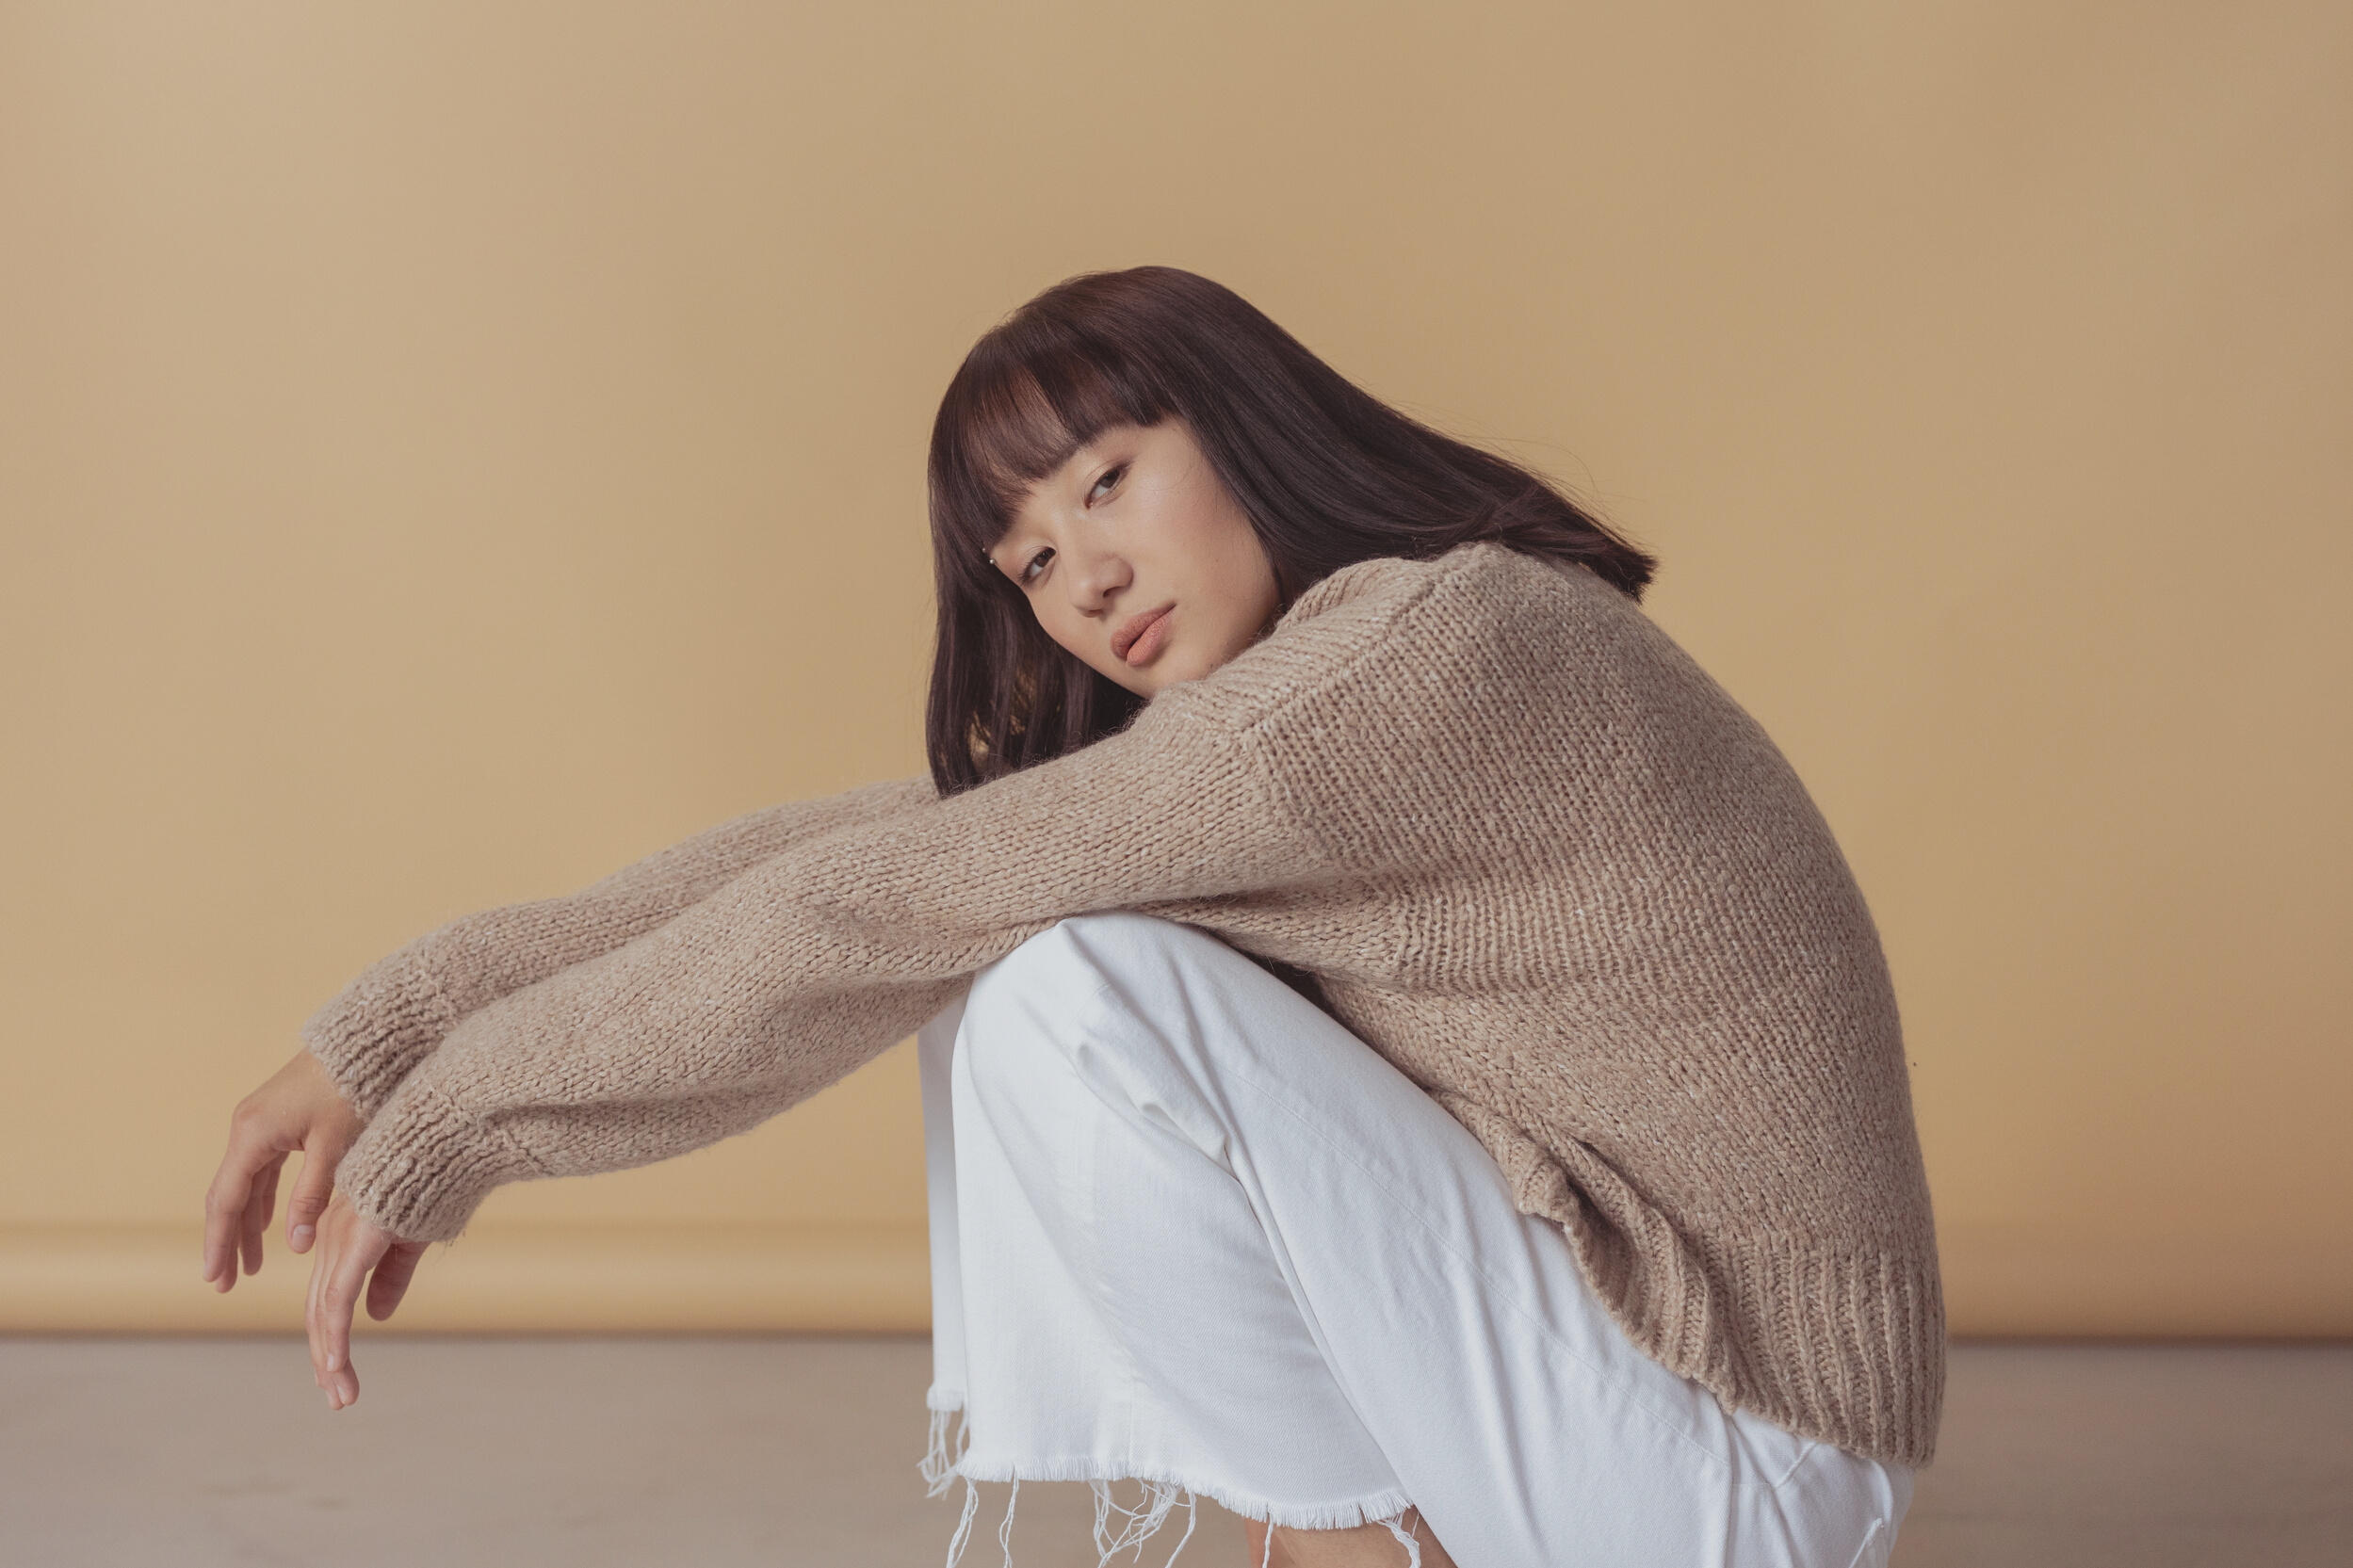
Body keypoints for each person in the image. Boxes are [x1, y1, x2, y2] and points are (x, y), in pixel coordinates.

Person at [202, 266, 1942, 1567]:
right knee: (1015, 925)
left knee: (1061, 985)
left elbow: (882, 898)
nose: (1079, 580)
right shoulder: (1294, 710)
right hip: (1644, 1406)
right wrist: (384, 1032)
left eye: (1105, 480)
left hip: (1730, 1452)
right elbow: (865, 846)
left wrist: (455, 1124)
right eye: (1026, 560)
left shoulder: (1434, 654)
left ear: (1241, 423)